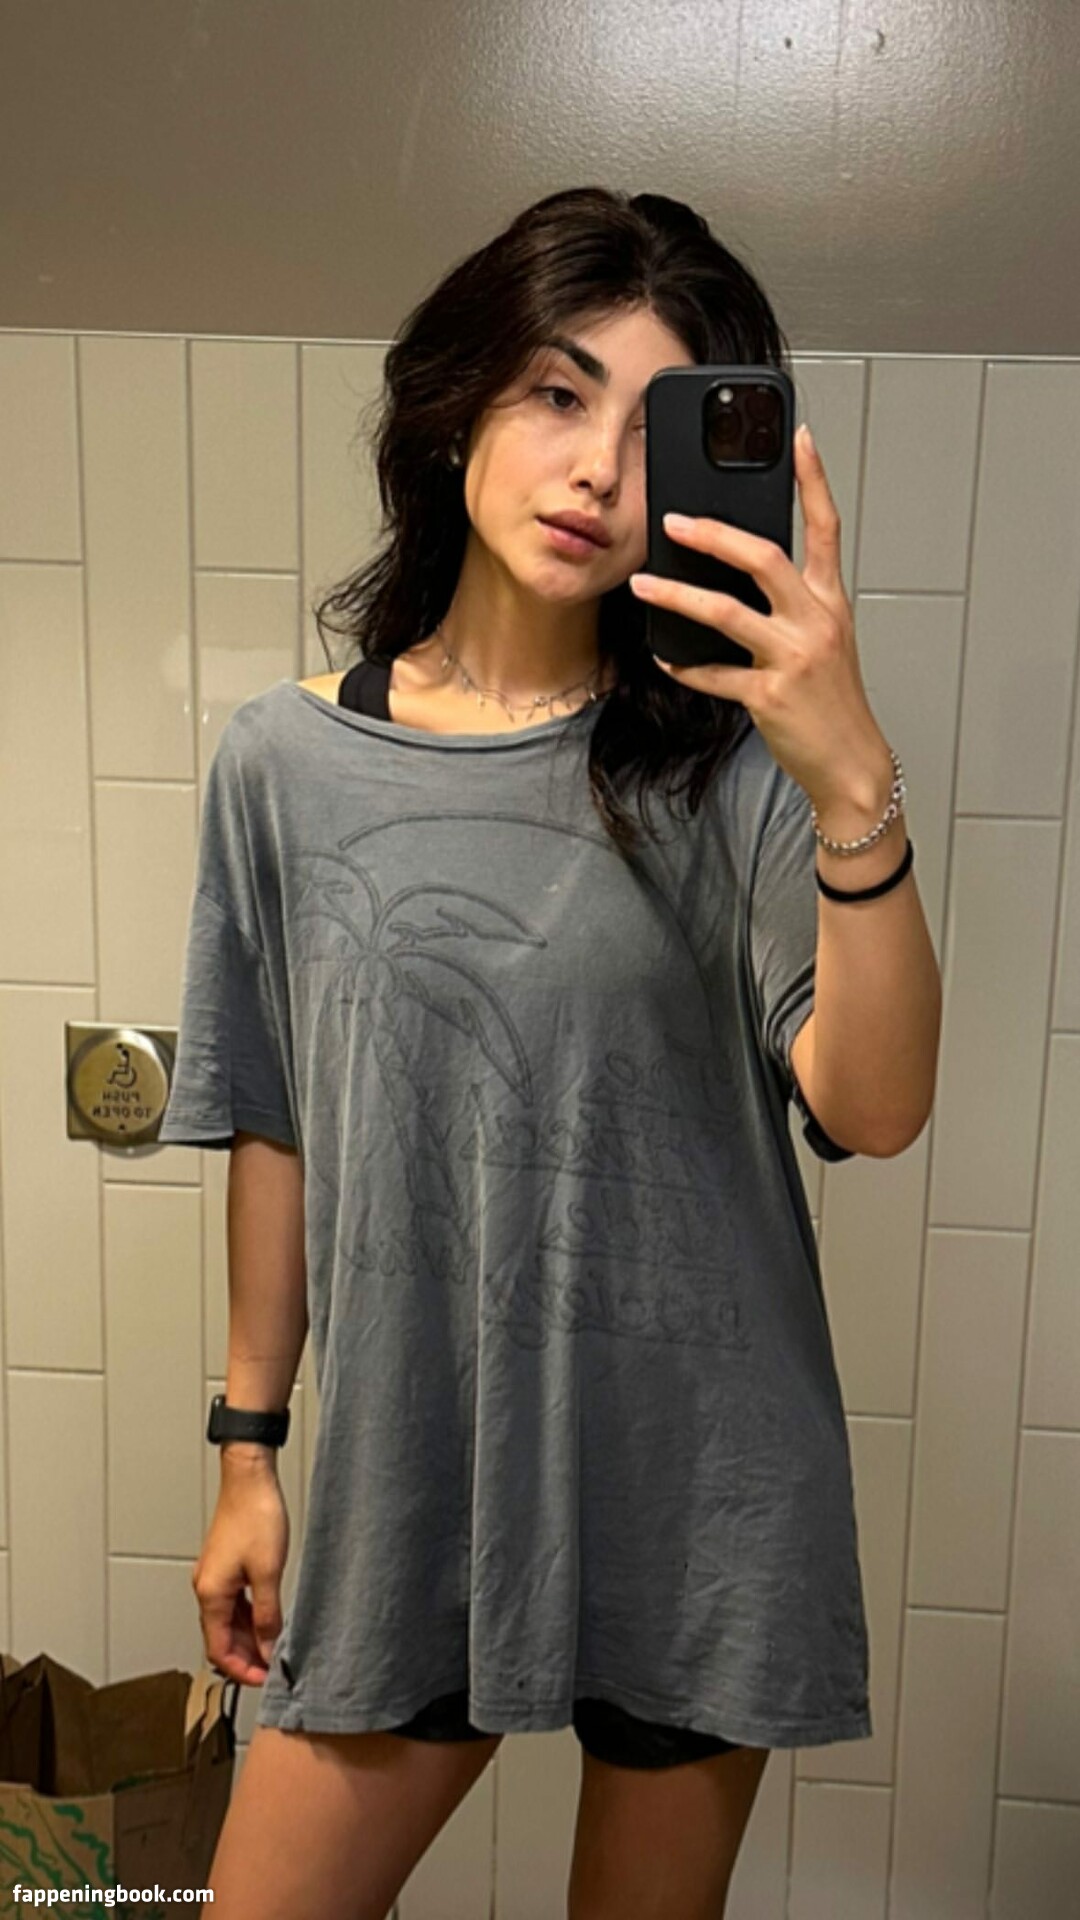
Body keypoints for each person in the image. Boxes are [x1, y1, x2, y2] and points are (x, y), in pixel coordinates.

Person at [158, 186, 940, 1920]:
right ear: (458, 407)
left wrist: (848, 772)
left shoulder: (734, 770)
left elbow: (876, 1107)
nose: (597, 468)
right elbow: (274, 1119)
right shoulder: (283, 764)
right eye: (557, 392)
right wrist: (246, 1454)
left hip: (699, 1490)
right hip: (413, 1477)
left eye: (655, 428)